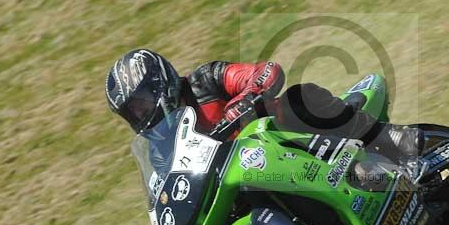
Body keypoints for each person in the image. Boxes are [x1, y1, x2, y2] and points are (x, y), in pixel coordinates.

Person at [105, 49, 423, 158]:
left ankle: (389, 137)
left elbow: (265, 72)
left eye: (141, 104)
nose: (141, 114)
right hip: (248, 174)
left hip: (282, 138)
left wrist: (244, 102)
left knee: (298, 99)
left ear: (159, 83)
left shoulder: (204, 79)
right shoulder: (162, 146)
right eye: (132, 112)